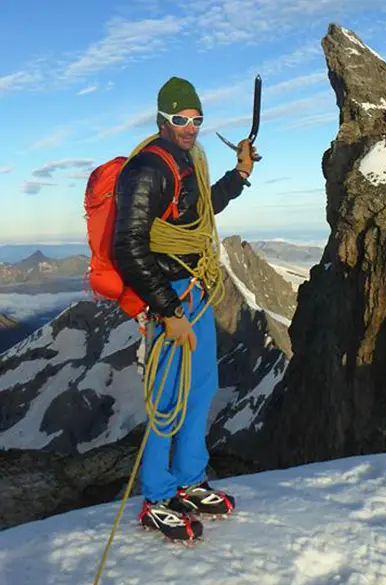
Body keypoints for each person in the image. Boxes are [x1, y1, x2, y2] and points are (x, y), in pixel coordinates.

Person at [112, 76, 257, 541]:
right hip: (169, 295)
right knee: (167, 399)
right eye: (180, 119)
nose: (190, 127)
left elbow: (201, 213)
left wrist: (239, 175)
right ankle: (156, 495)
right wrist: (168, 310)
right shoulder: (147, 170)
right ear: (162, 119)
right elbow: (128, 247)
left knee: (201, 388)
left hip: (192, 290)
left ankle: (190, 480)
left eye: (196, 119)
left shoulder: (185, 160)